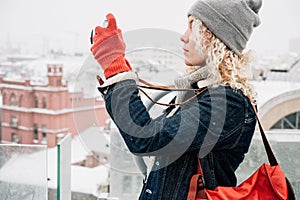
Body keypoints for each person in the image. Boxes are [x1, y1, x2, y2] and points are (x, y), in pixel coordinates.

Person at [90, 0, 262, 199]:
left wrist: (114, 62)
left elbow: (146, 138)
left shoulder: (227, 104)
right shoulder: (202, 92)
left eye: (193, 26)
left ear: (216, 37)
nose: (183, 37)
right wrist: (121, 69)